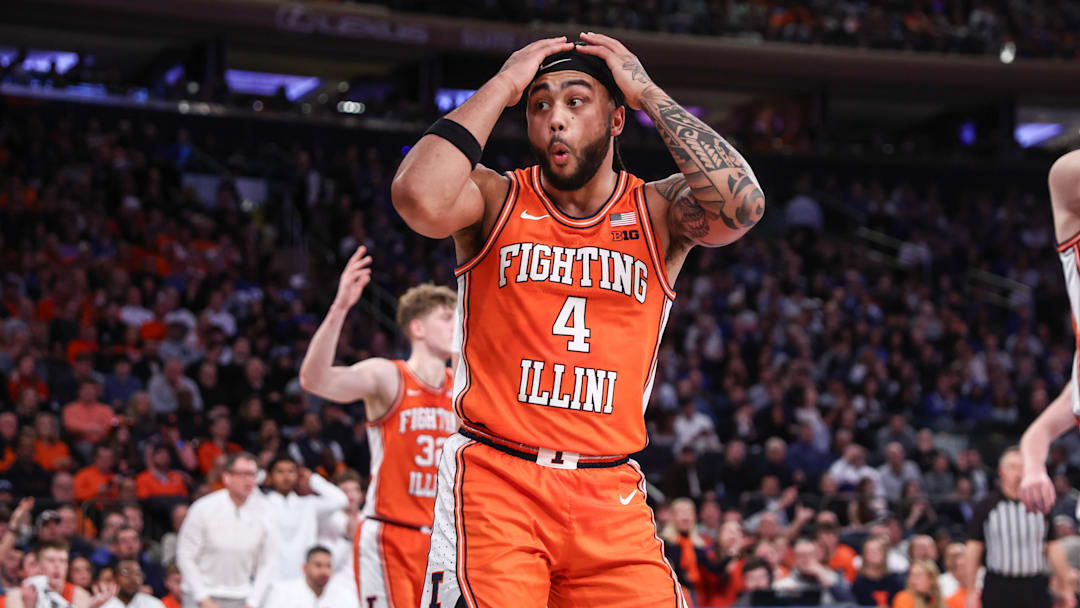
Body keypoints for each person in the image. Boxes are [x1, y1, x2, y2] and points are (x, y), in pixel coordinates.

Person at [393, 31, 763, 608]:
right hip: (498, 479)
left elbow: (742, 206)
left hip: (610, 487)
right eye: (540, 105)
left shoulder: (658, 210)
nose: (554, 119)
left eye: (574, 101)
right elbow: (418, 197)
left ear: (616, 120)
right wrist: (504, 85)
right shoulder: (493, 198)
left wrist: (644, 91)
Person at [299, 258, 457, 608]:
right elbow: (315, 380)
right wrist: (341, 307)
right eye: (447, 318)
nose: (456, 326)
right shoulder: (388, 376)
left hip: (444, 541)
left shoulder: (460, 386)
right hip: (391, 533)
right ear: (417, 328)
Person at [964, 447, 1073, 608]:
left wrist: (1065, 588)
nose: (1018, 473)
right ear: (1002, 471)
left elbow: (1053, 547)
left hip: (1034, 584)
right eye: (1012, 467)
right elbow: (973, 549)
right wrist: (971, 591)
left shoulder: (1041, 506)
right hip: (999, 584)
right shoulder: (986, 506)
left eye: (1022, 468)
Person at [175, 452, 276, 608]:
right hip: (200, 596)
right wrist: (203, 598)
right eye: (243, 474)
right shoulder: (203, 508)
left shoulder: (266, 512)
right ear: (227, 477)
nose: (249, 480)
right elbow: (185, 555)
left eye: (253, 475)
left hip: (241, 596)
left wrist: (253, 602)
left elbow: (268, 561)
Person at [261, 456, 347, 579]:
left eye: (291, 471)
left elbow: (340, 500)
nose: (286, 476)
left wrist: (312, 478)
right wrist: (261, 477)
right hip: (271, 578)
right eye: (280, 471)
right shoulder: (261, 504)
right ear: (270, 476)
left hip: (302, 579)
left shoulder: (309, 504)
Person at [4, 542, 116, 608]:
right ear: (38, 565)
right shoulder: (17, 595)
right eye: (51, 560)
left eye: (62, 561)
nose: (57, 566)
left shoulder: (80, 595)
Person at [263, 546, 352, 608]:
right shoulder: (283, 592)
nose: (324, 571)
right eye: (318, 565)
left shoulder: (343, 595)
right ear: (305, 568)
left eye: (328, 566)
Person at [852, 536, 905, 607]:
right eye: (871, 551)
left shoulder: (895, 581)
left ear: (884, 554)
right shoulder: (858, 583)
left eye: (879, 550)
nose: (875, 553)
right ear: (865, 555)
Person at [99, 560, 164, 608]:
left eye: (137, 574)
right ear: (115, 577)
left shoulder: (153, 604)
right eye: (126, 573)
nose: (133, 579)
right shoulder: (103, 604)